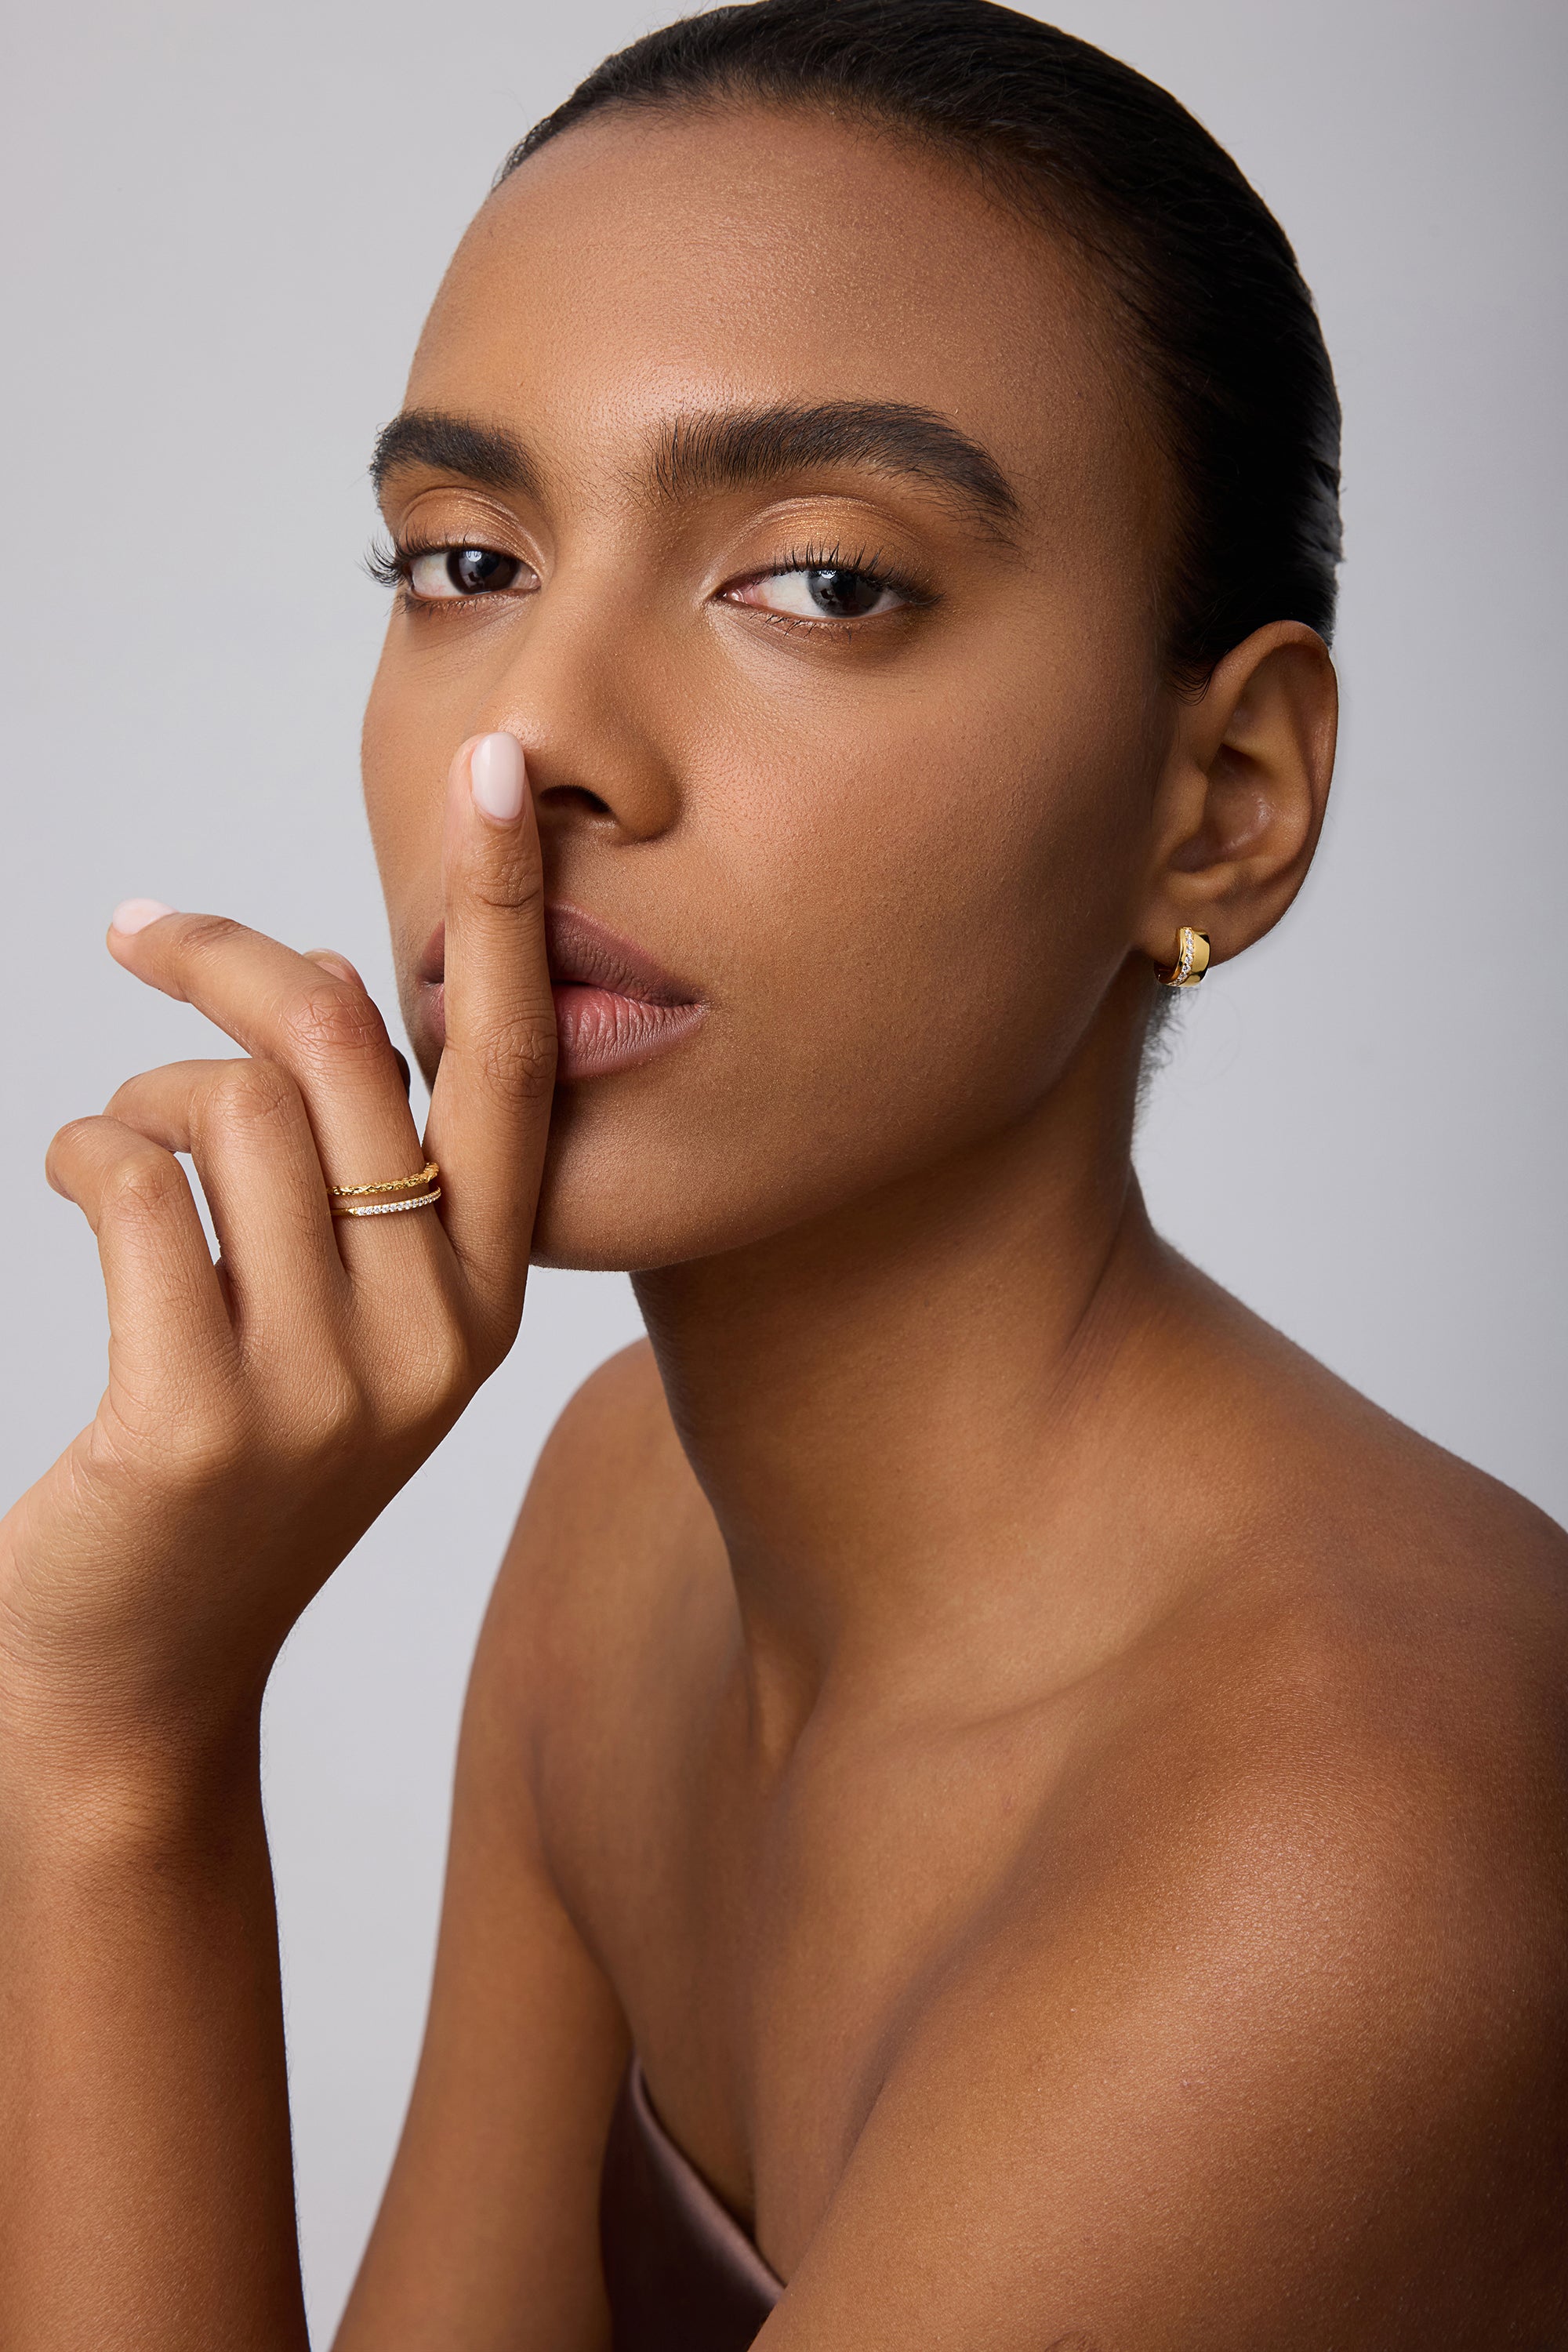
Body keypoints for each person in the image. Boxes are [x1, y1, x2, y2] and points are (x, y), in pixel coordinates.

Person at [3, 2, 1565, 2344]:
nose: (532, 751)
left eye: (822, 581)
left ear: (1225, 794)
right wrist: (125, 1695)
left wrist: (108, 1763)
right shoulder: (631, 1515)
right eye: (462, 559)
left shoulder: (1356, 1853)